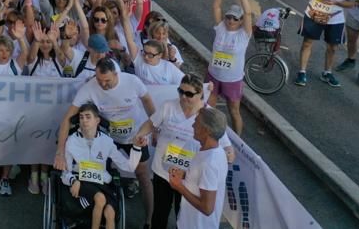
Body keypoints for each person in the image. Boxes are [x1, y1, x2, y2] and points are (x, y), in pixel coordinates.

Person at [55, 59, 156, 220]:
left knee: (143, 175)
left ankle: (150, 220)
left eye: (107, 80)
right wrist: (60, 152)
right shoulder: (89, 87)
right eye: (99, 80)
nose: (102, 84)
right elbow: (67, 119)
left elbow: (148, 101)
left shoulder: (132, 81)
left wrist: (155, 129)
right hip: (108, 138)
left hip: (134, 136)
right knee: (102, 171)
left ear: (116, 74)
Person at [135, 76, 233, 229]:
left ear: (200, 94)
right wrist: (140, 135)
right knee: (159, 213)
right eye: (180, 91)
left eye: (189, 94)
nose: (183, 97)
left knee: (182, 214)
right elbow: (151, 123)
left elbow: (227, 148)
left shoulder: (208, 117)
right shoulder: (169, 106)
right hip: (163, 171)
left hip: (188, 177)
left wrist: (222, 159)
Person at [60, 102, 143, 229]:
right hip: (81, 180)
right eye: (81, 117)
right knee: (100, 198)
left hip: (102, 182)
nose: (84, 120)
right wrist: (73, 180)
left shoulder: (107, 141)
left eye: (88, 117)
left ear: (97, 120)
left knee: (110, 212)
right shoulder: (71, 141)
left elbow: (129, 167)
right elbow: (66, 171)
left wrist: (136, 147)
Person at [297, 0, 356, 87]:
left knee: (332, 47)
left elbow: (351, 3)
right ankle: (302, 72)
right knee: (307, 43)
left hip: (335, 19)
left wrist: (337, 2)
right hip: (314, 13)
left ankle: (327, 73)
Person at [169, 108, 230, 229]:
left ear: (206, 130)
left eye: (196, 122)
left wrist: (179, 186)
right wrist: (184, 175)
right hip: (187, 222)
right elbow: (202, 179)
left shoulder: (209, 163)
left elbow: (207, 208)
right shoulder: (211, 151)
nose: (192, 125)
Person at [208, 0, 254, 134]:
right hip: (213, 75)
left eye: (235, 18)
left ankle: (238, 141)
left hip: (232, 79)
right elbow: (216, 6)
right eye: (228, 16)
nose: (231, 20)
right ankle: (209, 137)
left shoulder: (244, 34)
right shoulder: (220, 27)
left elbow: (248, 13)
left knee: (234, 111)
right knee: (208, 110)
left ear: (241, 21)